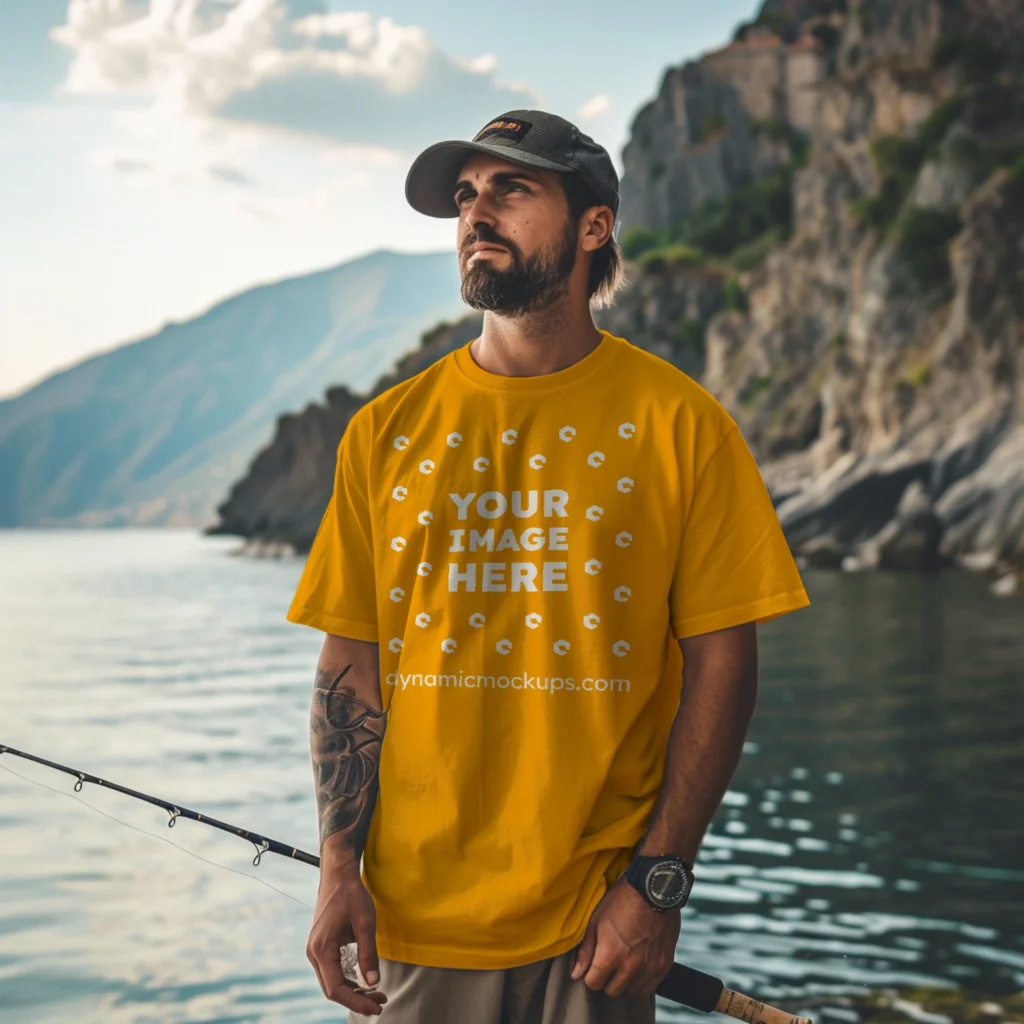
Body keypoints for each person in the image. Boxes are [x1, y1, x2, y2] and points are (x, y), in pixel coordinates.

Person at [286, 108, 811, 1023]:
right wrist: (338, 871)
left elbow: (724, 663)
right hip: (419, 928)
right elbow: (350, 665)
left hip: (598, 928)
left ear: (593, 226)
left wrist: (657, 886)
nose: (476, 214)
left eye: (512, 190)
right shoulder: (385, 433)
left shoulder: (682, 425)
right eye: (465, 196)